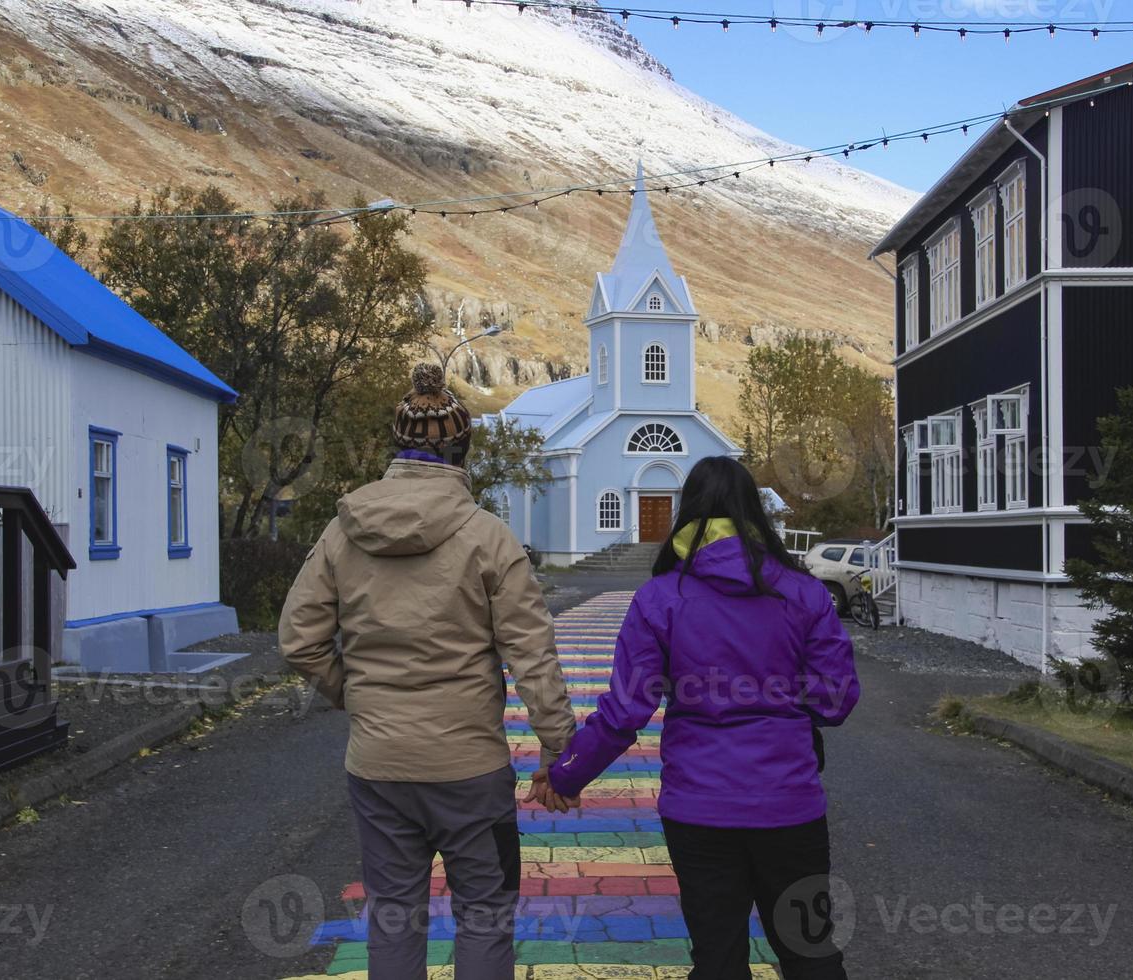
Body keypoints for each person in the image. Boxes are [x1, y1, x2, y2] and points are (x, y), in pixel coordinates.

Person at [279, 362, 576, 980]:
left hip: (379, 767)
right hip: (471, 769)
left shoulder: (343, 532)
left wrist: (357, 697)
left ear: (396, 446)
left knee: (393, 914)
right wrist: (557, 748)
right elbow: (531, 652)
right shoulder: (489, 537)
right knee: (486, 915)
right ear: (463, 448)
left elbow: (299, 642)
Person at [534, 456, 861, 979]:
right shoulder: (803, 593)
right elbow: (836, 700)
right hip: (789, 806)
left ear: (688, 514)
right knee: (810, 951)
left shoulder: (661, 597)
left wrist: (566, 772)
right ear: (754, 513)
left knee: (717, 956)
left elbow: (625, 711)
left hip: (700, 809)